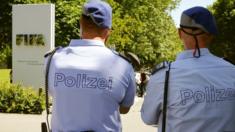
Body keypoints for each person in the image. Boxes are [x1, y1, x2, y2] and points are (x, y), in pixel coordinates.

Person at [44, 0, 136, 131]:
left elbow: (57, 95)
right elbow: (125, 108)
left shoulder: (52, 59)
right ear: (107, 31)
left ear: (81, 24)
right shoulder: (124, 66)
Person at [141, 6, 235, 132]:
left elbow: (148, 118)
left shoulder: (164, 75)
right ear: (212, 36)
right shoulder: (232, 71)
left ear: (179, 33)